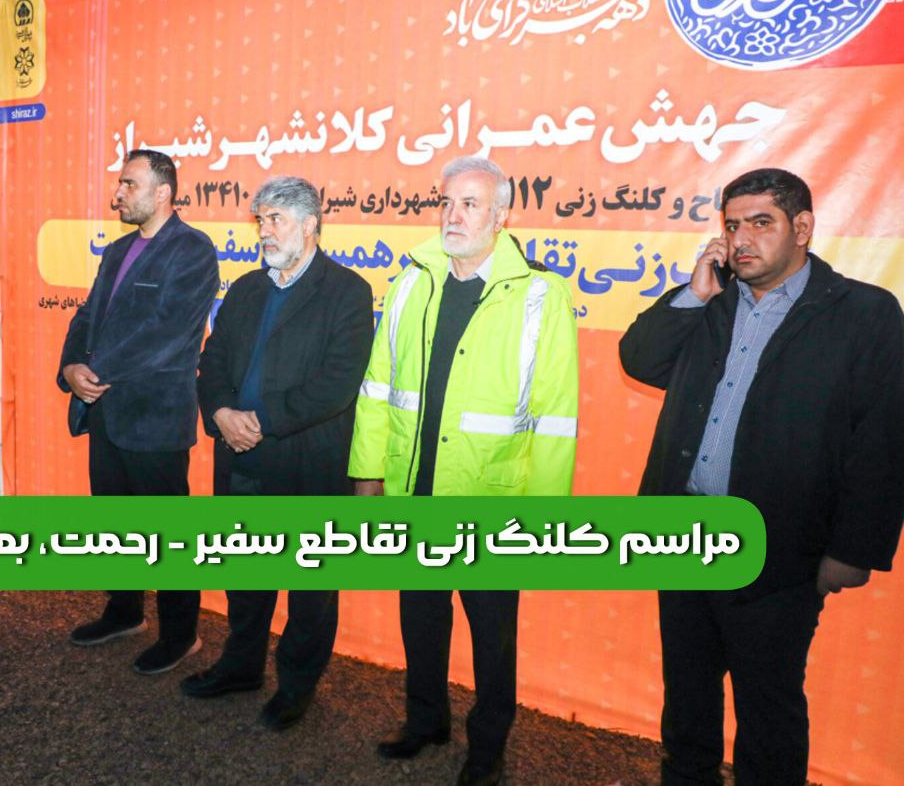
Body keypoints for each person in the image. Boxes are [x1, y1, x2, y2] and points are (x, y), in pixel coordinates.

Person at [619, 167, 904, 785]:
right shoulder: (711, 302)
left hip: (780, 546)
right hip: (683, 535)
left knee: (768, 704)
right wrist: (694, 294)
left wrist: (854, 550)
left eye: (760, 223)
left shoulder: (864, 313)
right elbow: (639, 360)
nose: (741, 239)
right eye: (732, 226)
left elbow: (883, 440)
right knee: (687, 691)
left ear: (802, 228)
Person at [348, 155, 579, 785]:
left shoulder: (541, 296)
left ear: (501, 216)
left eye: (470, 204)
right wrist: (367, 474)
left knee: (492, 638)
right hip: (413, 493)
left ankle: (488, 747)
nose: (453, 215)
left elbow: (556, 419)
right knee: (421, 618)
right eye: (446, 202)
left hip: (492, 505)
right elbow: (378, 387)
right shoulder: (411, 283)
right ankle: (425, 720)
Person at [181, 176, 373, 730]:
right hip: (241, 457)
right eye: (261, 220)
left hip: (308, 463)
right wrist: (221, 413)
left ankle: (296, 688)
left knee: (310, 588)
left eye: (276, 220)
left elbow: (336, 385)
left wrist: (259, 423)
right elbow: (212, 362)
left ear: (310, 225)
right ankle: (241, 667)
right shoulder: (245, 289)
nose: (264, 231)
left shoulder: (348, 291)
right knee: (245, 573)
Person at [58, 148, 219, 675]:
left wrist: (94, 371)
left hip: (154, 420)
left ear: (163, 192)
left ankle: (180, 635)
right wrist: (70, 367)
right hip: (105, 413)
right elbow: (88, 316)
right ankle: (124, 611)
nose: (118, 194)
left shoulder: (193, 250)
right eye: (120, 184)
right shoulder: (116, 251)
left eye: (129, 184)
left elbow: (166, 333)